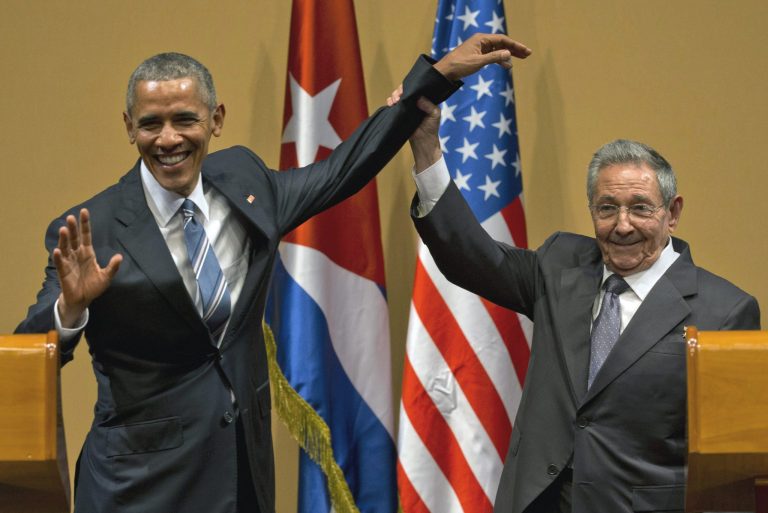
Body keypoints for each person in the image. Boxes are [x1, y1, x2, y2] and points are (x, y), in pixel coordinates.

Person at [16, 35, 532, 513]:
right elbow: (27, 356)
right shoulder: (91, 230)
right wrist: (70, 310)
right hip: (138, 488)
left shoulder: (245, 181)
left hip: (240, 475)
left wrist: (437, 76)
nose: (168, 138)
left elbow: (343, 168)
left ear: (216, 119)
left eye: (185, 119)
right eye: (151, 124)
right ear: (129, 127)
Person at [402, 97, 760, 512]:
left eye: (640, 208)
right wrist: (427, 150)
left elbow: (728, 468)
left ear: (672, 213)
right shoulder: (560, 265)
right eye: (607, 208)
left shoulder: (725, 311)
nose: (622, 225)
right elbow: (473, 258)